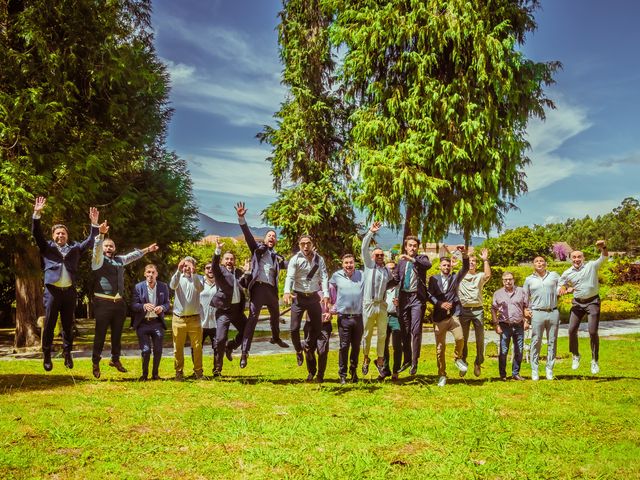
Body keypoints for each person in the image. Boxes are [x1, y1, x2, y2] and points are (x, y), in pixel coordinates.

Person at [31, 196, 100, 371]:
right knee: (49, 324)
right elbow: (36, 234)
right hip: (52, 291)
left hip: (69, 292)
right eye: (57, 233)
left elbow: (90, 241)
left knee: (68, 325)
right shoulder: (47, 247)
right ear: (54, 236)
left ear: (67, 236)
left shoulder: (75, 249)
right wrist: (37, 214)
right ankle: (46, 354)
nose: (60, 235)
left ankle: (67, 353)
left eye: (63, 233)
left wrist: (94, 225)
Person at [90, 221, 158, 378]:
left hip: (118, 304)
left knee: (117, 335)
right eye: (106, 246)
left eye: (111, 246)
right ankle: (95, 362)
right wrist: (100, 235)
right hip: (102, 303)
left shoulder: (120, 260)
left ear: (114, 248)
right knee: (100, 334)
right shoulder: (98, 260)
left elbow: (132, 256)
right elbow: (96, 250)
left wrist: (148, 249)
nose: (109, 248)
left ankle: (115, 359)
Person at [235, 202, 288, 370]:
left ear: (276, 240)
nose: (272, 237)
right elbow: (249, 236)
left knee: (275, 316)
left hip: (271, 290)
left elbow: (292, 265)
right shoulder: (257, 250)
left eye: (274, 236)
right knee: (252, 320)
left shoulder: (277, 257)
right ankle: (244, 352)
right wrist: (241, 218)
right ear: (265, 239)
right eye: (269, 235)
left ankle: (276, 337)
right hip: (258, 288)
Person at [559, 240, 609, 374]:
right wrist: (564, 288)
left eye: (579, 257)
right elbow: (560, 285)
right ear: (570, 259)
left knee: (592, 332)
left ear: (583, 258)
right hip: (577, 303)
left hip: (592, 302)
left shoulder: (591, 266)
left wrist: (603, 247)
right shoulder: (567, 273)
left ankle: (594, 360)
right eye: (574, 257)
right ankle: (575, 355)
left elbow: (604, 257)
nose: (577, 259)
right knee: (571, 330)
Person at [283, 235, 329, 369]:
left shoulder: (318, 259)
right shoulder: (295, 259)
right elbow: (290, 276)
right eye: (303, 244)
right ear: (299, 245)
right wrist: (287, 291)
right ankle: (298, 350)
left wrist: (325, 294)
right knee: (294, 328)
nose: (305, 246)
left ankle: (307, 346)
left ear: (312, 243)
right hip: (299, 297)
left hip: (313, 297)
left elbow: (324, 277)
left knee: (318, 327)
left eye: (308, 243)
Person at [426, 246, 470, 387]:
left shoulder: (455, 277)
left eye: (448, 265)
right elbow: (429, 295)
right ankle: (442, 374)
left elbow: (465, 268)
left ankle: (458, 358)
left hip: (453, 315)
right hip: (439, 318)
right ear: (439, 267)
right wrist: (439, 303)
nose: (446, 267)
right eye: (444, 265)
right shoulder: (433, 279)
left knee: (460, 338)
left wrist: (464, 255)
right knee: (440, 348)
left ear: (451, 266)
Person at [210, 237, 250, 377]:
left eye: (231, 259)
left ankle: (230, 346)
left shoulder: (239, 272)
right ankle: (217, 369)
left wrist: (247, 272)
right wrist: (218, 250)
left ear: (234, 261)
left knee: (247, 331)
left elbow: (245, 284)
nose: (229, 261)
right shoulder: (219, 271)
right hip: (224, 311)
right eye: (226, 259)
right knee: (220, 339)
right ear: (222, 261)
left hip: (237, 311)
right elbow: (213, 265)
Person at [393, 235, 432, 375]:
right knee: (405, 331)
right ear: (406, 247)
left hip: (417, 299)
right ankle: (407, 360)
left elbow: (428, 266)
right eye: (410, 245)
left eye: (415, 246)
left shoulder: (421, 259)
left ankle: (415, 362)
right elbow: (396, 279)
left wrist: (412, 260)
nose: (412, 248)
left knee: (415, 331)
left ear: (417, 248)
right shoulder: (401, 263)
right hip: (404, 298)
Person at [360, 221, 394, 376]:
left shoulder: (386, 271)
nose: (380, 257)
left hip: (381, 305)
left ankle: (380, 361)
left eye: (382, 255)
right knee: (367, 334)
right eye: (377, 255)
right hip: (368, 304)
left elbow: (393, 284)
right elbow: (363, 247)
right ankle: (366, 358)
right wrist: (370, 232)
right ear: (372, 257)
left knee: (382, 334)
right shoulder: (369, 266)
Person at [523, 256, 560, 381]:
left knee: (552, 341)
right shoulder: (528, 280)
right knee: (536, 341)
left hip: (553, 312)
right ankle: (535, 370)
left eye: (541, 261)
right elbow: (525, 298)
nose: (539, 263)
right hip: (537, 313)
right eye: (536, 261)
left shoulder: (554, 276)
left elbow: (562, 287)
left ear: (546, 264)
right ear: (533, 264)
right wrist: (525, 312)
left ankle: (549, 369)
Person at [329, 254, 364, 384]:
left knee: (356, 347)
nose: (349, 265)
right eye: (346, 263)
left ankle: (353, 372)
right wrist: (331, 306)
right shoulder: (336, 276)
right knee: (344, 346)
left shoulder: (361, 275)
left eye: (351, 263)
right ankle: (342, 374)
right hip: (343, 317)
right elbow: (330, 290)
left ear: (354, 263)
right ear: (342, 264)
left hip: (358, 317)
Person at [131, 264, 170, 381]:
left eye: (153, 272)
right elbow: (133, 305)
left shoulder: (163, 287)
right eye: (148, 272)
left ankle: (155, 374)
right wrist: (143, 306)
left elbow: (167, 304)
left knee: (158, 350)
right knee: (146, 350)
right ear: (145, 274)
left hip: (157, 322)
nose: (151, 275)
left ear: (156, 274)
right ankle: (144, 375)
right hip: (143, 323)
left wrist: (162, 308)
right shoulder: (138, 287)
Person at [458, 248, 491, 377]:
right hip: (464, 310)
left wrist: (485, 260)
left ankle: (478, 362)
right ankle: (463, 362)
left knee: (480, 338)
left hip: (478, 310)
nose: (472, 263)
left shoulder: (479, 276)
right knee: (463, 339)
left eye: (474, 262)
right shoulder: (460, 276)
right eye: (470, 261)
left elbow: (488, 275)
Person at [169, 256, 204, 380]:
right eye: (185, 265)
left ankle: (198, 372)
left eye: (189, 265)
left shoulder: (198, 278)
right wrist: (178, 271)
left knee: (197, 347)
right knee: (177, 347)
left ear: (194, 266)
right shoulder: (178, 277)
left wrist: (194, 274)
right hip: (178, 319)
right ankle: (179, 372)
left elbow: (200, 288)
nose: (187, 268)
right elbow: (172, 286)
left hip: (194, 319)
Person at [491, 271, 530, 381]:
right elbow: (493, 309)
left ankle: (515, 373)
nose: (508, 281)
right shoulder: (497, 293)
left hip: (519, 325)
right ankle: (502, 375)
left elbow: (526, 307)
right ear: (502, 281)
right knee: (503, 351)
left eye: (510, 279)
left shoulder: (521, 291)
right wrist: (496, 325)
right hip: (504, 325)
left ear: (513, 280)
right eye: (505, 279)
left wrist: (527, 321)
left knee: (519, 350)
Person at [380, 261, 403, 381]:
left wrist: (400, 304)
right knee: (383, 345)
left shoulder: (401, 286)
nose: (392, 271)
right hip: (383, 316)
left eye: (393, 269)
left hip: (396, 317)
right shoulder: (382, 285)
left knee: (397, 346)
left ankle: (396, 371)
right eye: (389, 269)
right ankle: (385, 370)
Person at [303, 292, 333, 383]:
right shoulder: (308, 287)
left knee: (322, 351)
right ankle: (311, 372)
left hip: (324, 325)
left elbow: (336, 303)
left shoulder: (330, 287)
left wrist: (331, 311)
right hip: (310, 324)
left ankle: (320, 375)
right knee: (308, 349)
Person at [199, 261, 218, 375]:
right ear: (204, 270)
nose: (210, 270)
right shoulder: (199, 283)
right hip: (201, 323)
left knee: (217, 347)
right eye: (207, 268)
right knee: (196, 348)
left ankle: (217, 370)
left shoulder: (221, 283)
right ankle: (198, 370)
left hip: (216, 323)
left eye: (212, 268)